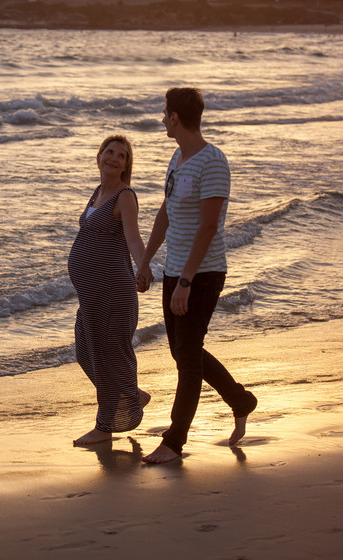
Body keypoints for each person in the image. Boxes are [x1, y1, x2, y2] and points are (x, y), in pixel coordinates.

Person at [137, 87, 257, 464]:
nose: (161, 120)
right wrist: (145, 261)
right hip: (175, 271)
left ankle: (174, 441)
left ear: (175, 118)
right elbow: (167, 211)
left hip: (203, 274)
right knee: (182, 351)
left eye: (164, 114)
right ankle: (241, 400)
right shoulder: (177, 157)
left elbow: (208, 228)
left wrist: (187, 281)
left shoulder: (213, 162)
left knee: (187, 357)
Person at [68, 135, 150, 446]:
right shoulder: (99, 192)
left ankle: (104, 428)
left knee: (107, 356)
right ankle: (132, 394)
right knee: (86, 353)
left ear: (127, 165)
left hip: (113, 293)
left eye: (122, 156)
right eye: (109, 152)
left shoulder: (124, 196)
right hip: (92, 296)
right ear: (99, 155)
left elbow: (133, 239)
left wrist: (143, 268)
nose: (113, 158)